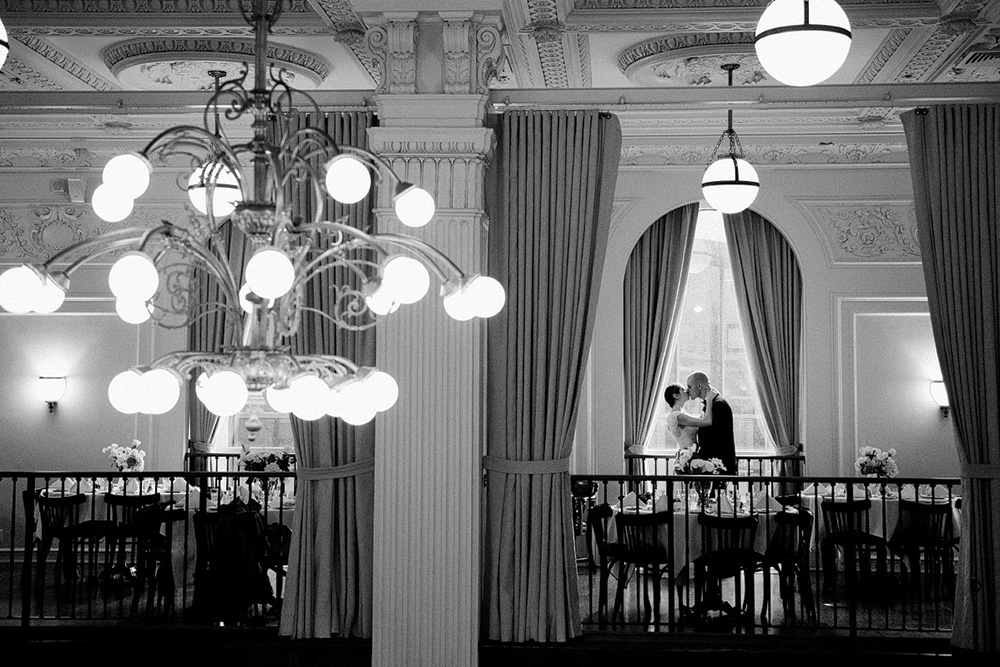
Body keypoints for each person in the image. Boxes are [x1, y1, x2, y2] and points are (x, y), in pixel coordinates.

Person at [686, 371, 736, 476]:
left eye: (689, 387)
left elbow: (716, 439)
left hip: (718, 466)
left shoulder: (718, 405)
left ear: (699, 385)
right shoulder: (712, 404)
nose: (687, 390)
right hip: (711, 465)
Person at [663, 383, 718, 471]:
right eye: (684, 390)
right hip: (689, 459)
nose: (687, 391)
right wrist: (709, 400)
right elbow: (707, 422)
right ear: (676, 395)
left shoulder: (682, 414)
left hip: (693, 457)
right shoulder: (677, 416)